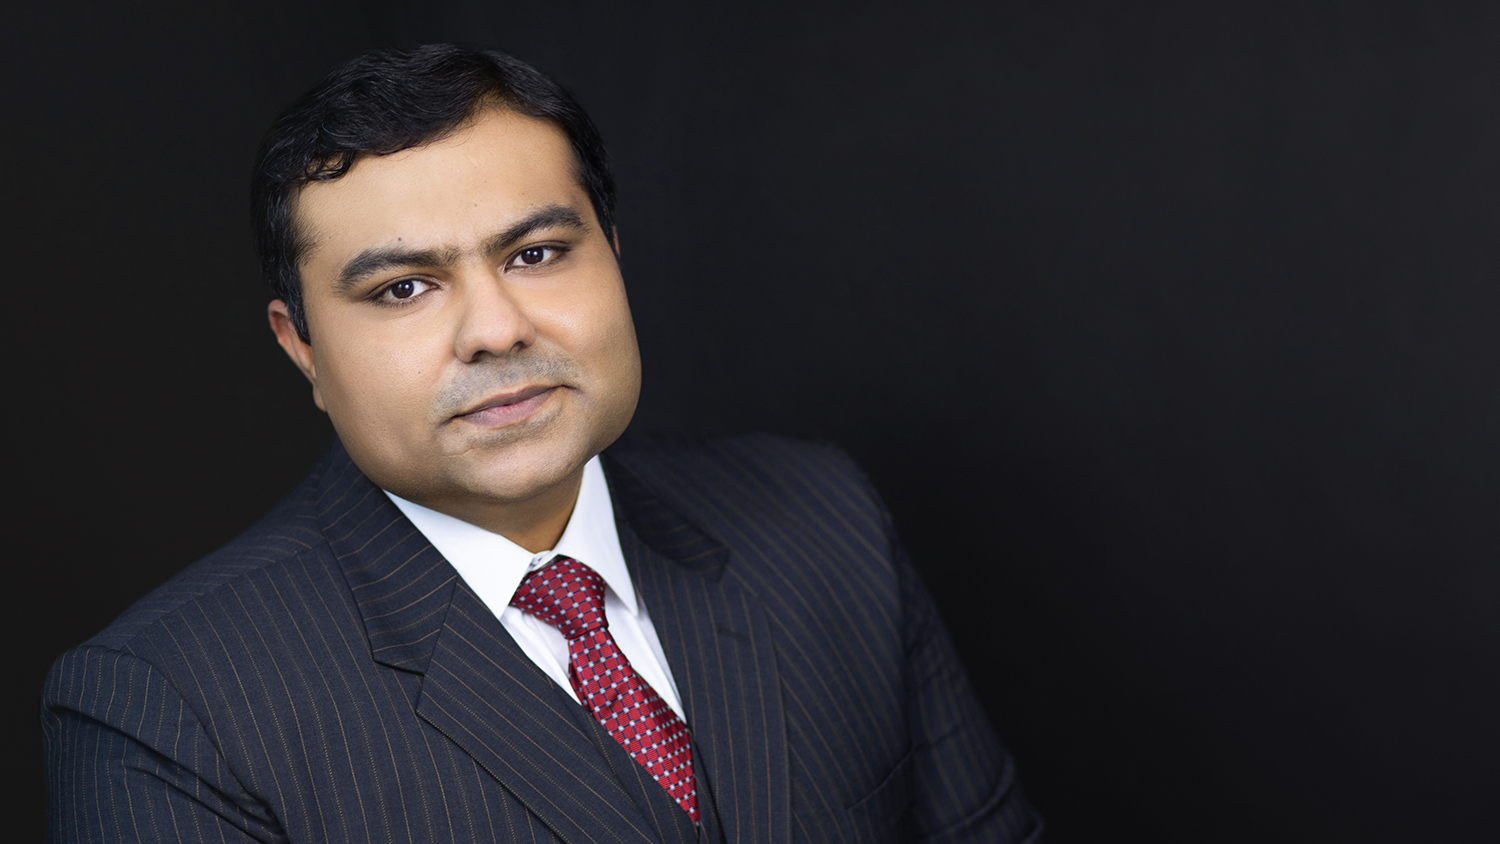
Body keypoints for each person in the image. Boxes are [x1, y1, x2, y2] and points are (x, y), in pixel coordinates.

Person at [41, 44, 1042, 844]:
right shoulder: (167, 710)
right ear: (300, 345)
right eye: (403, 288)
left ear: (614, 253)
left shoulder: (822, 518)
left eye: (536, 253)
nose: (495, 329)